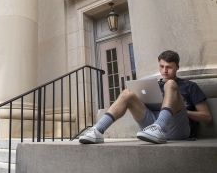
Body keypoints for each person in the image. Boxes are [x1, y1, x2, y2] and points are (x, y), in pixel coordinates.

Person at [79, 50, 212, 144]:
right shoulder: (152, 85)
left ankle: (160, 127)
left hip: (177, 127)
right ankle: (97, 130)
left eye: (169, 67)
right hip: (150, 126)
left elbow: (207, 117)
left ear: (177, 67)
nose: (164, 71)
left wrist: (175, 108)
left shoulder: (190, 86)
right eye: (161, 66)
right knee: (127, 93)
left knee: (170, 84)